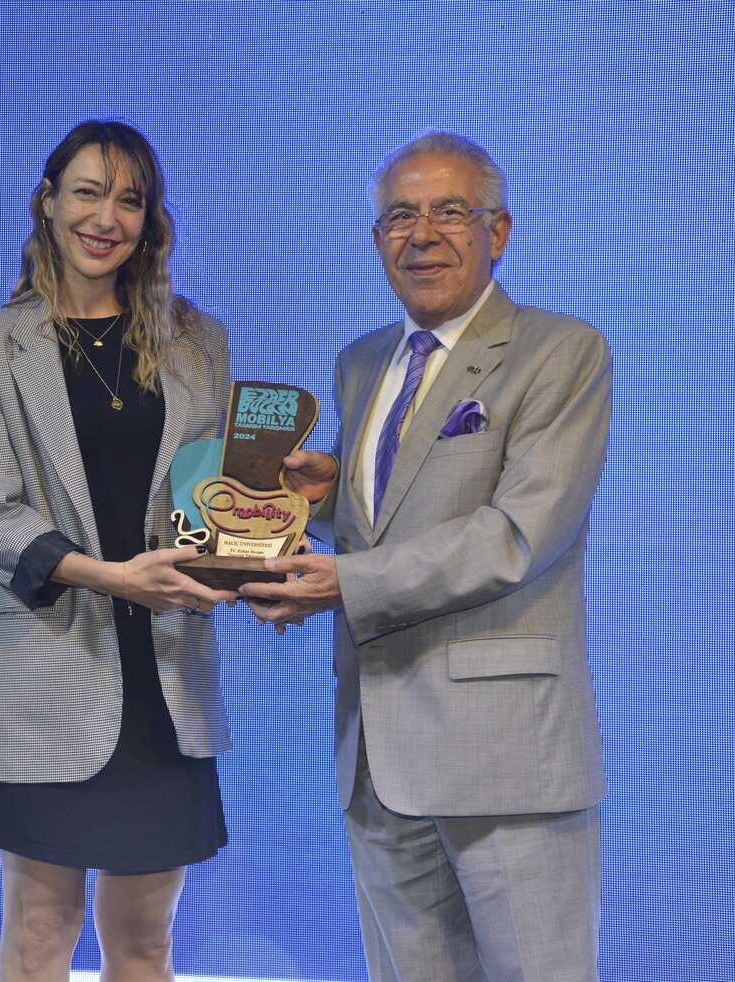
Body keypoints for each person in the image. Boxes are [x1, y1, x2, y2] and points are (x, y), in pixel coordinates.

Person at [242, 130, 611, 981]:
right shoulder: (362, 361)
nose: (422, 234)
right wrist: (321, 500)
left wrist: (344, 583)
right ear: (376, 239)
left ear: (499, 231)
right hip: (376, 753)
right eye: (400, 216)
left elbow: (518, 534)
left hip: (505, 753)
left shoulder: (562, 351)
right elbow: (392, 519)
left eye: (450, 211)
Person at [0, 119, 235, 982]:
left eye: (129, 199)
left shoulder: (199, 341)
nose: (106, 217)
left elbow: (209, 497)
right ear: (47, 201)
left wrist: (268, 512)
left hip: (167, 681)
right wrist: (112, 578)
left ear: (150, 220)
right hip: (49, 672)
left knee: (146, 941)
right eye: (86, 192)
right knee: (42, 933)